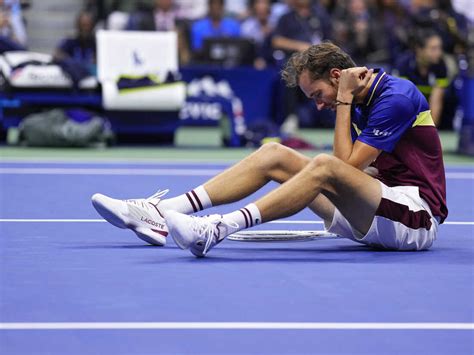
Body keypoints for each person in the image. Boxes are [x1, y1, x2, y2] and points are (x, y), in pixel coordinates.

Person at [92, 42, 448, 257]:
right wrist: (344, 102)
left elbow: (346, 170)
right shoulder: (358, 97)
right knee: (273, 153)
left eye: (318, 95)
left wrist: (341, 101)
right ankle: (160, 212)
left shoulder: (395, 97)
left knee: (325, 166)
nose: (320, 105)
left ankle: (216, 230)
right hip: (376, 210)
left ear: (338, 76)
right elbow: (354, 171)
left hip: (413, 220)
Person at [393, 29, 449, 127]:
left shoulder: (441, 66)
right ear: (419, 49)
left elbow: (436, 101)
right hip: (403, 116)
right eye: (433, 48)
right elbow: (400, 102)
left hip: (426, 114)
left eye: (439, 48)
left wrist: (429, 130)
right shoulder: (403, 64)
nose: (439, 53)